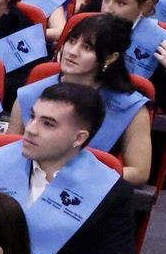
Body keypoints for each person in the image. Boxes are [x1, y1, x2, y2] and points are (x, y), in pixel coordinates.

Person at [0, 81, 136, 254]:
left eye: (48, 124)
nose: (30, 129)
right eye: (33, 116)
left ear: (79, 138)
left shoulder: (110, 191)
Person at [8, 13, 152, 182]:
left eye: (87, 48)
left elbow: (139, 172)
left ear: (110, 58)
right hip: (28, 183)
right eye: (72, 41)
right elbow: (10, 153)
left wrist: (80, 177)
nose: (72, 52)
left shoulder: (130, 107)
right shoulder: (29, 95)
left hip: (87, 193)